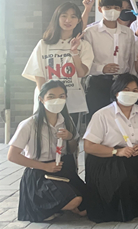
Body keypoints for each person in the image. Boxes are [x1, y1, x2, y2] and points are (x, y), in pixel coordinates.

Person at [83, 74, 138, 222]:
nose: (131, 93)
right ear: (116, 92)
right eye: (126, 89)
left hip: (134, 156)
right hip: (107, 159)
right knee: (124, 181)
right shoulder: (102, 115)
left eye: (135, 90)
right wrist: (116, 152)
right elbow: (89, 146)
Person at [8, 81, 87, 222]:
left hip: (62, 170)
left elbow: (72, 149)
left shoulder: (67, 120)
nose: (57, 100)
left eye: (61, 96)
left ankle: (60, 206)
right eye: (51, 96)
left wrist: (70, 137)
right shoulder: (29, 124)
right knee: (75, 200)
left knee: (88, 207)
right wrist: (44, 166)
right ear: (41, 99)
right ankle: (45, 207)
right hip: (40, 173)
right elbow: (12, 156)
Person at [23, 2, 93, 116]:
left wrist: (74, 52)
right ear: (57, 18)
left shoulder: (84, 45)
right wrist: (45, 97)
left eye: (73, 16)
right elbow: (38, 73)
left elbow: (81, 73)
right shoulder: (43, 44)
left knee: (69, 127)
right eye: (64, 16)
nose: (68, 20)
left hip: (72, 99)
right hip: (47, 100)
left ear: (78, 20)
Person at [82, 0, 137, 115]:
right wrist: (102, 68)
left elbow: (131, 60)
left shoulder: (127, 32)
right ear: (100, 9)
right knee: (97, 117)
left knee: (122, 116)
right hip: (99, 83)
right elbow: (85, 61)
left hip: (122, 83)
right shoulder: (91, 32)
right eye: (108, 7)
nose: (112, 10)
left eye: (116, 8)